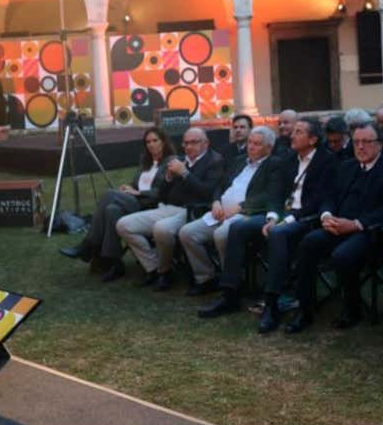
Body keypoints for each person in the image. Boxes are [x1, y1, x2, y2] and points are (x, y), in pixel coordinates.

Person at [200, 117, 334, 325]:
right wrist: (273, 217)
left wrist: (283, 220)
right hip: (279, 213)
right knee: (238, 227)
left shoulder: (326, 161)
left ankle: (271, 302)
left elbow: (319, 200)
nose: (291, 134)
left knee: (277, 233)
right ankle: (230, 294)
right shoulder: (289, 159)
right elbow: (276, 194)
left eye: (298, 131)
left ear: (313, 139)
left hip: (306, 217)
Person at [286, 124, 383, 333]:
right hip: (337, 225)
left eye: (366, 142)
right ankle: (305, 308)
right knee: (308, 243)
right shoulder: (346, 166)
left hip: (369, 231)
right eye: (356, 142)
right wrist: (327, 216)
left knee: (343, 255)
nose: (360, 147)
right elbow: (328, 196)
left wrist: (355, 224)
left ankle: (352, 308)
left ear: (380, 144)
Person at [181, 126, 290, 297]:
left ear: (269, 147)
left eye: (257, 144)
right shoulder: (239, 160)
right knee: (188, 232)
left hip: (247, 214)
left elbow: (270, 194)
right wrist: (216, 201)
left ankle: (232, 283)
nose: (251, 147)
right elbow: (221, 185)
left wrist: (241, 206)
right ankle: (207, 278)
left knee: (222, 234)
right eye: (249, 142)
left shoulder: (274, 164)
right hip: (219, 212)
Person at [116, 128, 225, 290]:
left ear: (205, 143)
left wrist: (185, 174)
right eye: (185, 143)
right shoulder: (180, 160)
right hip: (167, 207)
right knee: (123, 225)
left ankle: (165, 271)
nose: (188, 147)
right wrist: (168, 178)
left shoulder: (214, 161)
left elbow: (208, 193)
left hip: (192, 210)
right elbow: (162, 195)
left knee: (162, 229)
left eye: (193, 142)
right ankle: (154, 267)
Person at [59, 126, 173, 280]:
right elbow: (136, 183)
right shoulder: (145, 160)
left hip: (151, 207)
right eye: (148, 142)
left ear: (164, 142)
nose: (151, 145)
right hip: (135, 202)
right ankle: (113, 263)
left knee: (109, 194)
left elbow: (164, 191)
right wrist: (130, 187)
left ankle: (88, 245)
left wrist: (139, 193)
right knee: (112, 210)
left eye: (155, 140)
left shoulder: (171, 162)